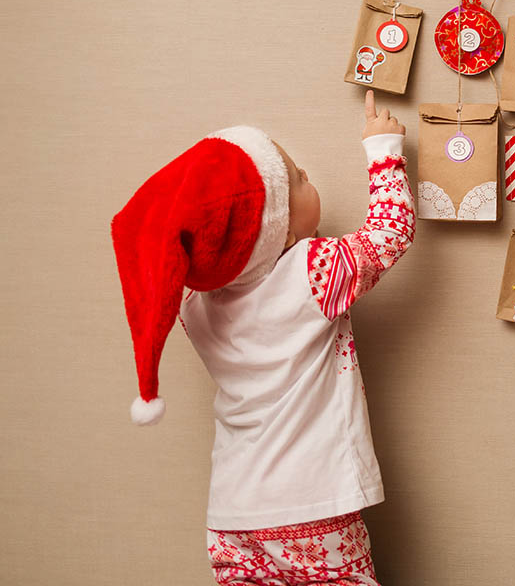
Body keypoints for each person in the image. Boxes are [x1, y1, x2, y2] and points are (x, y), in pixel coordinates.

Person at [111, 91, 414, 584]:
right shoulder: (313, 274)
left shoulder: (194, 310)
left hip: (232, 516)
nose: (308, 178)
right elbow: (390, 233)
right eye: (297, 181)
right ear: (279, 231)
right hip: (314, 505)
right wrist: (383, 150)